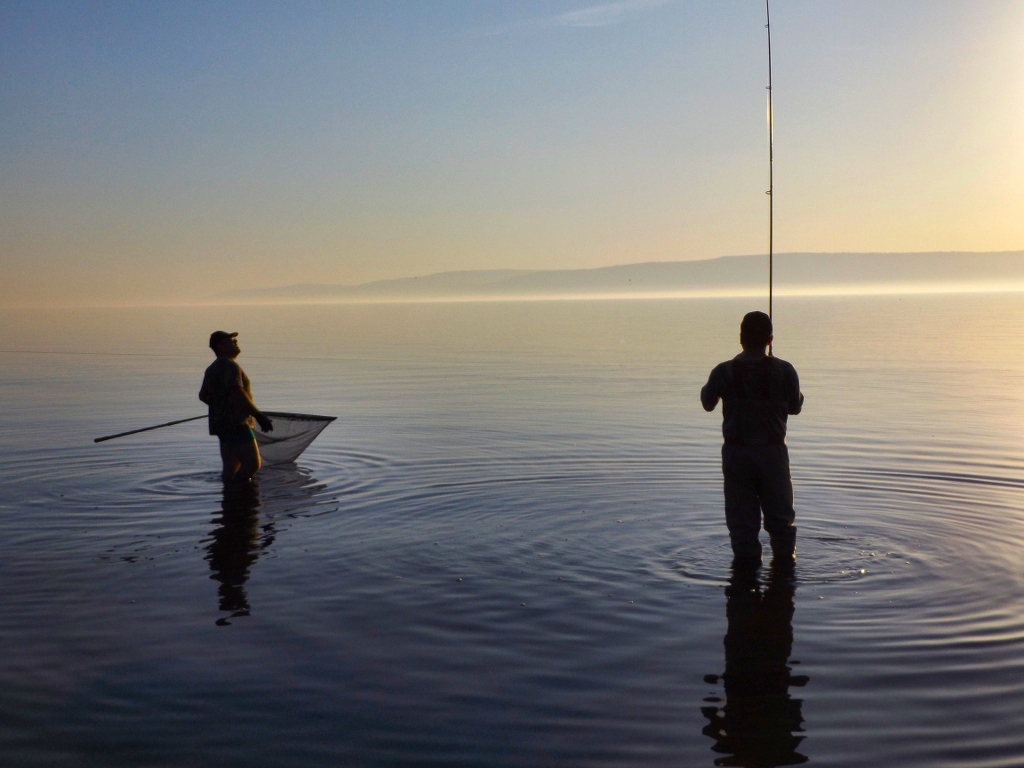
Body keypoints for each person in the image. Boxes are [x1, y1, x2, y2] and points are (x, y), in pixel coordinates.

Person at [700, 311, 803, 563]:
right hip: (773, 454)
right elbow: (794, 407)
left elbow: (707, 403)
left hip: (737, 455)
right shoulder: (785, 370)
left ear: (741, 338)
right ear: (770, 339)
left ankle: (744, 585)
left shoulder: (723, 371)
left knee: (742, 525)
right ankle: (783, 581)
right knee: (780, 521)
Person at [199, 331, 273, 481]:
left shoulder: (212, 368)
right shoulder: (230, 366)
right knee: (252, 465)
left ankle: (229, 498)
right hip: (237, 424)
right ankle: (238, 496)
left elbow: (203, 395)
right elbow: (237, 393)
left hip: (221, 425)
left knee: (231, 467)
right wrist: (259, 416)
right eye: (230, 340)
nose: (235, 342)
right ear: (220, 346)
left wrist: (221, 406)